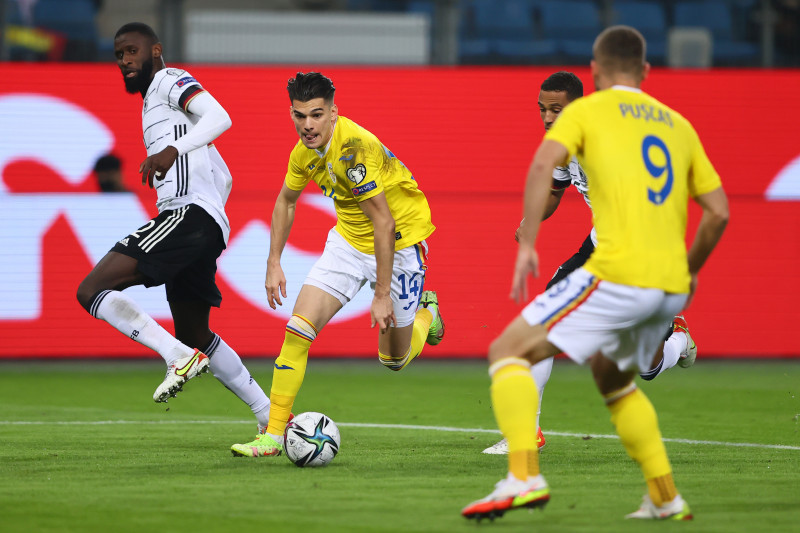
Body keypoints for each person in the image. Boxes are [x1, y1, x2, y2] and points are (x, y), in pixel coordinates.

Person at [462, 26, 728, 521]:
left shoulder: (588, 113)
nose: (548, 116)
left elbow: (545, 163)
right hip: (666, 272)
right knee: (618, 376)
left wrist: (528, 247)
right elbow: (718, 212)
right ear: (646, 71)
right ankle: (666, 497)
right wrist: (687, 273)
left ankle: (524, 475)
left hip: (617, 263)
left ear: (597, 73)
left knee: (509, 348)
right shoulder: (676, 124)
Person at [482, 71, 698, 456]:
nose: (548, 118)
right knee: (538, 322)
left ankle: (678, 341)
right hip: (599, 250)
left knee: (643, 366)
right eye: (542, 110)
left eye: (556, 109)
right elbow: (555, 190)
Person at [230, 72, 444, 457]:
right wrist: (273, 260)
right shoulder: (303, 153)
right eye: (300, 116)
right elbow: (286, 201)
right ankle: (272, 436)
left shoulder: (353, 152)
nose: (307, 125)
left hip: (399, 244)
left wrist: (380, 295)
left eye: (316, 115)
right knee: (297, 330)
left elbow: (385, 222)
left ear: (333, 113)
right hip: (348, 241)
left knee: (393, 360)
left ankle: (427, 313)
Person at [76, 23, 272, 434]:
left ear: (157, 51)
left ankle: (175, 355)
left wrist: (173, 150)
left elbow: (220, 116)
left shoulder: (168, 79)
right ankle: (270, 416)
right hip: (204, 223)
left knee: (91, 290)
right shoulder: (152, 103)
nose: (125, 60)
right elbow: (224, 174)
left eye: (132, 51)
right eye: (119, 56)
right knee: (196, 332)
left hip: (186, 215)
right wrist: (214, 206)